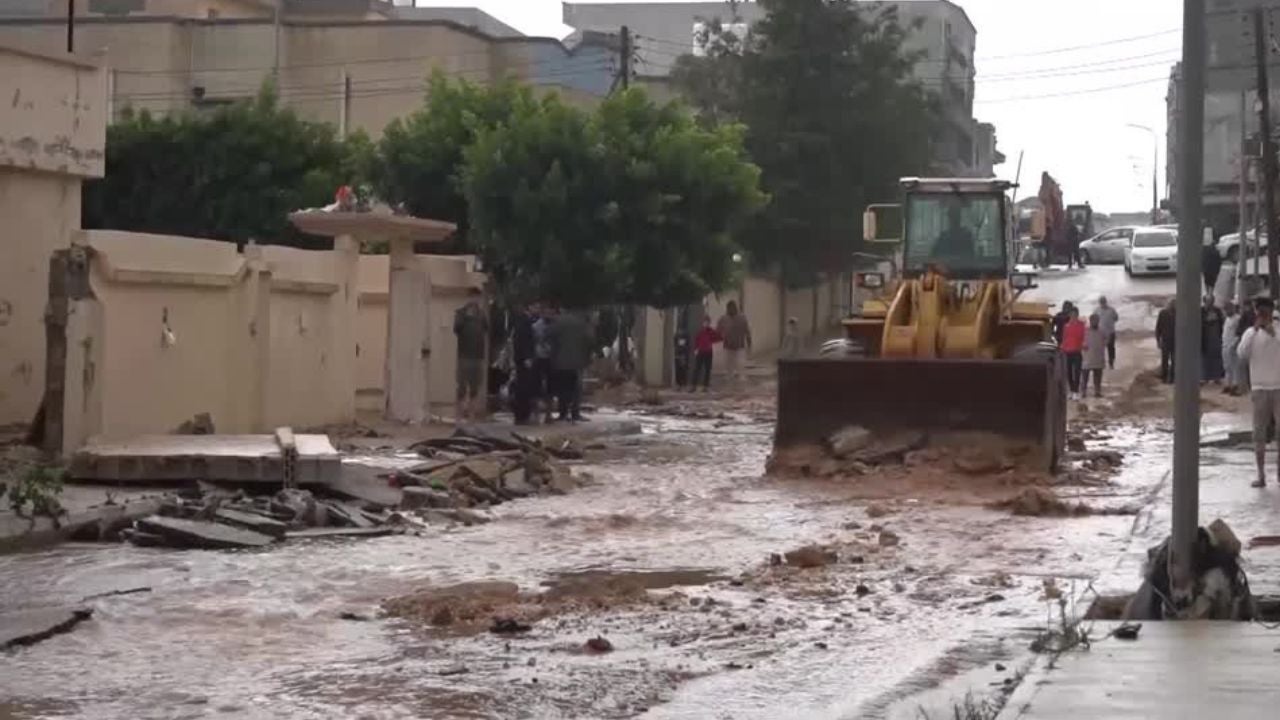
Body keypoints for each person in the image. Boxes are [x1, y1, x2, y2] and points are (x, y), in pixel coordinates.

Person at [1236, 296, 1280, 487]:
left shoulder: (1278, 330)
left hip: (1279, 387)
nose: (1262, 315)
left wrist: (1273, 333)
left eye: (1265, 312)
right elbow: (1242, 354)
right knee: (1259, 433)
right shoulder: (1249, 333)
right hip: (1260, 388)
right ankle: (1261, 475)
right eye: (1259, 312)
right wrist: (1254, 330)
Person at [548, 308, 591, 422]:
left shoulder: (558, 321)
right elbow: (589, 339)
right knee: (576, 389)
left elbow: (549, 336)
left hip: (560, 361)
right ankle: (575, 413)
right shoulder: (581, 322)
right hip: (578, 361)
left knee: (563, 388)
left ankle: (563, 414)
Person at [453, 288, 489, 423]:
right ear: (468, 298)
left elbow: (486, 329)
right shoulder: (460, 313)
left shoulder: (481, 314)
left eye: (477, 298)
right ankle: (458, 416)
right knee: (461, 387)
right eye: (473, 297)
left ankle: (471, 417)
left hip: (477, 356)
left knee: (475, 388)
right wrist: (466, 317)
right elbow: (456, 329)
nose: (475, 300)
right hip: (464, 356)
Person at [509, 301, 538, 425]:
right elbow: (523, 341)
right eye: (535, 307)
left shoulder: (524, 321)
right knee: (524, 388)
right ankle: (522, 416)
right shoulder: (524, 322)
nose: (537, 309)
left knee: (523, 387)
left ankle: (522, 415)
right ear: (529, 307)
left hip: (522, 359)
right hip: (524, 360)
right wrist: (527, 357)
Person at [717, 301, 752, 384]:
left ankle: (741, 379)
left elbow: (747, 332)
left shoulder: (742, 318)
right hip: (728, 346)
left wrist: (749, 343)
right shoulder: (723, 319)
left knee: (740, 364)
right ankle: (730, 378)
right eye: (729, 308)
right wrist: (722, 336)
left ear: (736, 308)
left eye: (732, 308)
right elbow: (717, 330)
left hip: (739, 345)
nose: (731, 310)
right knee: (728, 365)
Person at [532, 304, 555, 423]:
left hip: (550, 358)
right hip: (539, 358)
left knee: (550, 388)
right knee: (537, 386)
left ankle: (548, 414)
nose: (548, 314)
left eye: (550, 312)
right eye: (546, 312)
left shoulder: (555, 326)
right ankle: (536, 415)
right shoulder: (536, 326)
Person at [1061, 306, 1086, 399]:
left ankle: (1076, 391)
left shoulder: (1081, 325)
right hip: (1067, 352)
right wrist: (1062, 348)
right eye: (1072, 314)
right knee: (1068, 372)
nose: (1073, 316)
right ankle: (1071, 390)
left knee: (1077, 372)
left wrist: (1084, 344)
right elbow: (1064, 338)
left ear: (1077, 315)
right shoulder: (1066, 326)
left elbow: (1084, 337)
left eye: (1075, 314)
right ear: (1069, 315)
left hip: (1077, 351)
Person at [1081, 312, 1106, 398]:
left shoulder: (1102, 331)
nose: (1095, 322)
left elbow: (1106, 341)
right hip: (1087, 357)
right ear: (1090, 321)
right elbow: (1079, 341)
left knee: (1098, 377)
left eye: (1097, 321)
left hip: (1098, 357)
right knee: (1085, 377)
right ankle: (1083, 392)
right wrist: (1082, 345)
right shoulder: (1085, 331)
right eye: (1094, 321)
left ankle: (1097, 392)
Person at [692, 315, 721, 392]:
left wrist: (714, 340)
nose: (706, 324)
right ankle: (693, 385)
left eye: (707, 322)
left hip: (708, 351)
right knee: (697, 369)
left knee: (707, 369)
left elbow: (717, 338)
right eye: (705, 322)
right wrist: (695, 349)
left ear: (709, 323)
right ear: (703, 323)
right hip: (701, 351)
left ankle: (705, 386)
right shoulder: (700, 331)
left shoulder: (711, 331)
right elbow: (696, 340)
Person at [1202, 296, 1226, 384]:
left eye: (1211, 301)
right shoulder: (1201, 311)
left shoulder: (1217, 311)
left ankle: (1217, 377)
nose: (1210, 303)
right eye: (1208, 301)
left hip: (1216, 338)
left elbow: (1222, 322)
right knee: (1205, 359)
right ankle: (1205, 378)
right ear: (1204, 301)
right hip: (1205, 339)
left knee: (1217, 358)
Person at [1156, 299, 1176, 384]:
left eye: (1174, 305)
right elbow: (1158, 327)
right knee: (1165, 360)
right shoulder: (1163, 313)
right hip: (1165, 340)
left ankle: (1172, 378)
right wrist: (1158, 340)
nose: (1172, 306)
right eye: (1171, 304)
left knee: (1175, 360)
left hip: (1176, 341)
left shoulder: (1178, 313)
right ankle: (1164, 377)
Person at [1096, 296, 1120, 370]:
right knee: (1100, 349)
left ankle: (1111, 363)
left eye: (1103, 302)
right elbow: (1093, 319)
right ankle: (1101, 363)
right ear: (1099, 303)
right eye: (1101, 302)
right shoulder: (1097, 310)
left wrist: (1110, 322)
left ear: (1106, 302)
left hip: (1110, 332)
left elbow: (1116, 318)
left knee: (1111, 348)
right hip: (1100, 333)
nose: (1102, 304)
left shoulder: (1111, 310)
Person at [1223, 301, 1241, 395]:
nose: (1226, 311)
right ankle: (1227, 385)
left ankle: (1235, 385)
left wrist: (1234, 344)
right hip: (1225, 345)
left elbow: (1238, 333)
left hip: (1233, 345)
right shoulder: (1227, 319)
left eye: (1228, 309)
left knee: (1234, 367)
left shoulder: (1237, 318)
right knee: (1227, 366)